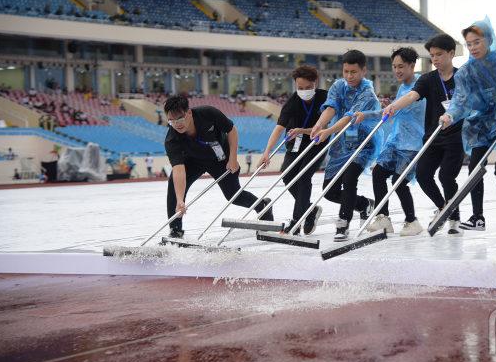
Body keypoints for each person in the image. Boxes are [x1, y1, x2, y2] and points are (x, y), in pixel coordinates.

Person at [438, 17, 496, 239]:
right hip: (481, 125)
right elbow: (461, 102)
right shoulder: (465, 72)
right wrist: (450, 115)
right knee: (475, 169)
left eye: (477, 41)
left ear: (489, 40)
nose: (473, 47)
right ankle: (478, 216)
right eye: (469, 43)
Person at [383, 34, 465, 237]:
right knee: (423, 175)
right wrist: (393, 106)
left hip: (455, 136)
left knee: (446, 176)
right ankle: (445, 207)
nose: (435, 59)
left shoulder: (463, 76)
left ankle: (454, 219)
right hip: (434, 137)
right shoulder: (428, 79)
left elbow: (467, 102)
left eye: (439, 54)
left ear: (451, 53)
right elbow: (412, 95)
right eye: (432, 56)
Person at [163, 95, 274, 238]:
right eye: (172, 120)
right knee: (174, 187)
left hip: (220, 159)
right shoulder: (172, 139)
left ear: (189, 113)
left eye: (180, 118)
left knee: (233, 196)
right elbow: (178, 169)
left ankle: (263, 206)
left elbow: (231, 130)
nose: (177, 124)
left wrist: (232, 159)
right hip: (193, 161)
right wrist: (180, 200)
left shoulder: (208, 113)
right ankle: (176, 229)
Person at [354, 47, 426, 236]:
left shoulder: (420, 87)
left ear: (412, 65)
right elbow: (392, 113)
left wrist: (368, 114)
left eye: (401, 66)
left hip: (412, 145)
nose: (397, 71)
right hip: (398, 141)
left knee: (398, 182)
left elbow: (392, 111)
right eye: (394, 66)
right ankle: (383, 218)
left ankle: (412, 221)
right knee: (378, 172)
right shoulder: (403, 87)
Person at [310, 50, 381, 242]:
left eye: (354, 72)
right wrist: (320, 124)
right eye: (346, 71)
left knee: (349, 181)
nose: (349, 76)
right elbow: (331, 107)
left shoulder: (367, 93)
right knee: (330, 191)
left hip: (362, 144)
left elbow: (350, 117)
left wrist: (329, 130)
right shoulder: (338, 86)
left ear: (363, 71)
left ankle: (343, 223)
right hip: (341, 146)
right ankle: (364, 204)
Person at [258, 64, 328, 235]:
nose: (303, 91)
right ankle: (310, 210)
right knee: (288, 175)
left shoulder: (325, 97)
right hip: (295, 142)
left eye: (307, 87)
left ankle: (296, 221)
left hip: (317, 141)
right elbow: (279, 128)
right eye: (299, 88)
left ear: (315, 83)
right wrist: (267, 152)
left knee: (304, 176)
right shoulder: (292, 102)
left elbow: (322, 126)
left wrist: (302, 130)